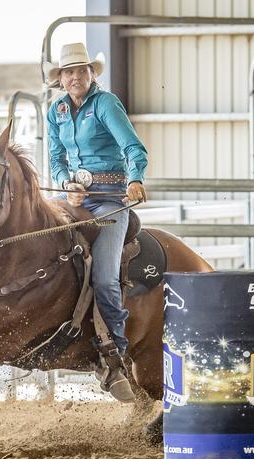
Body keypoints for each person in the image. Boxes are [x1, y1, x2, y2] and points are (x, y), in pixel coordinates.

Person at [44, 42, 148, 402]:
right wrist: (65, 182)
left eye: (80, 70)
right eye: (68, 72)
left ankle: (114, 352)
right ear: (60, 78)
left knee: (105, 275)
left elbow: (133, 147)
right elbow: (56, 158)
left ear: (91, 73)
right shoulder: (55, 110)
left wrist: (135, 179)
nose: (74, 77)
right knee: (37, 236)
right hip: (74, 198)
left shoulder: (105, 104)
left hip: (109, 201)